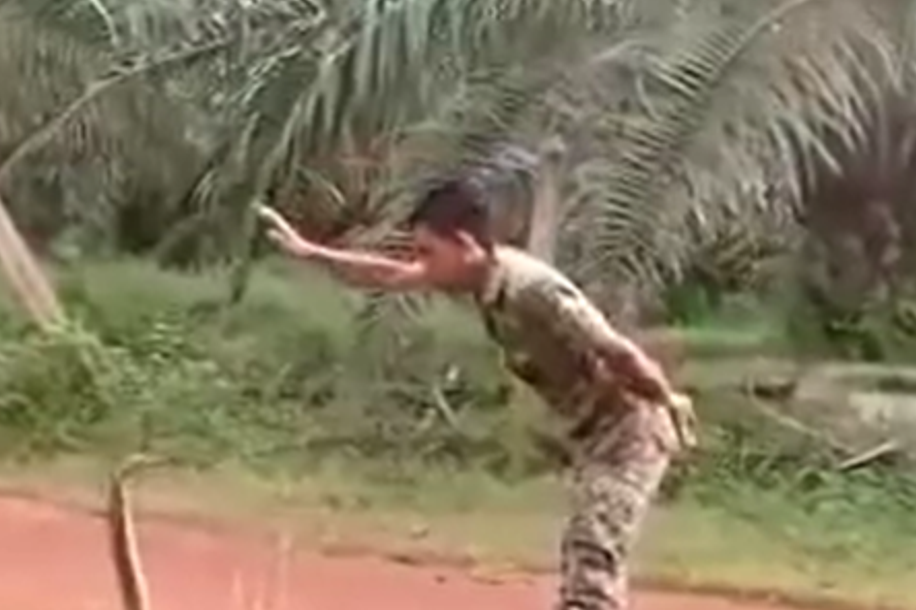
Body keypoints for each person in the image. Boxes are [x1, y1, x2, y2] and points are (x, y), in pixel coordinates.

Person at [254, 177, 696, 610]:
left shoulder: (533, 289)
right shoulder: (482, 279)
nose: (422, 265)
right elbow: (389, 274)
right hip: (592, 433)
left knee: (592, 547)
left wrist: (667, 401)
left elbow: (615, 350)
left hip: (631, 430)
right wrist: (311, 252)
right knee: (587, 549)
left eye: (429, 252)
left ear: (465, 245)